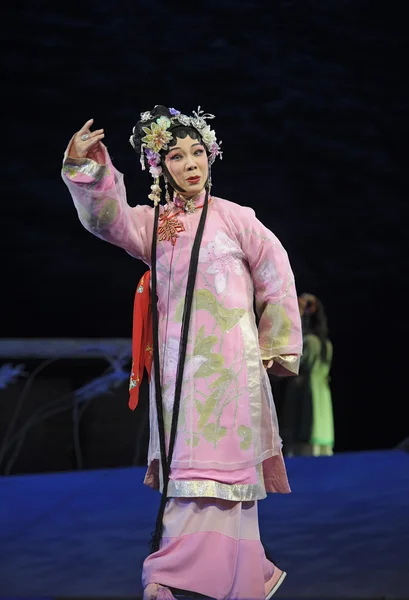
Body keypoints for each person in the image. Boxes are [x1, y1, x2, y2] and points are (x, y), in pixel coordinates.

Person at [62, 105, 303, 600]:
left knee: (228, 476)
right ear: (159, 166)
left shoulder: (236, 219)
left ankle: (236, 577)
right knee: (186, 469)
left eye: (198, 153)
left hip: (233, 368)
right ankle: (169, 573)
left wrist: (276, 343)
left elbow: (276, 275)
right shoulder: (153, 225)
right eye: (176, 155)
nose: (191, 164)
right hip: (178, 372)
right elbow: (107, 220)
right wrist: (87, 168)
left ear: (211, 157)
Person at [281, 293, 334, 457]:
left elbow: (291, 364)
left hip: (304, 392)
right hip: (321, 393)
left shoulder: (309, 342)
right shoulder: (326, 344)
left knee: (303, 436)